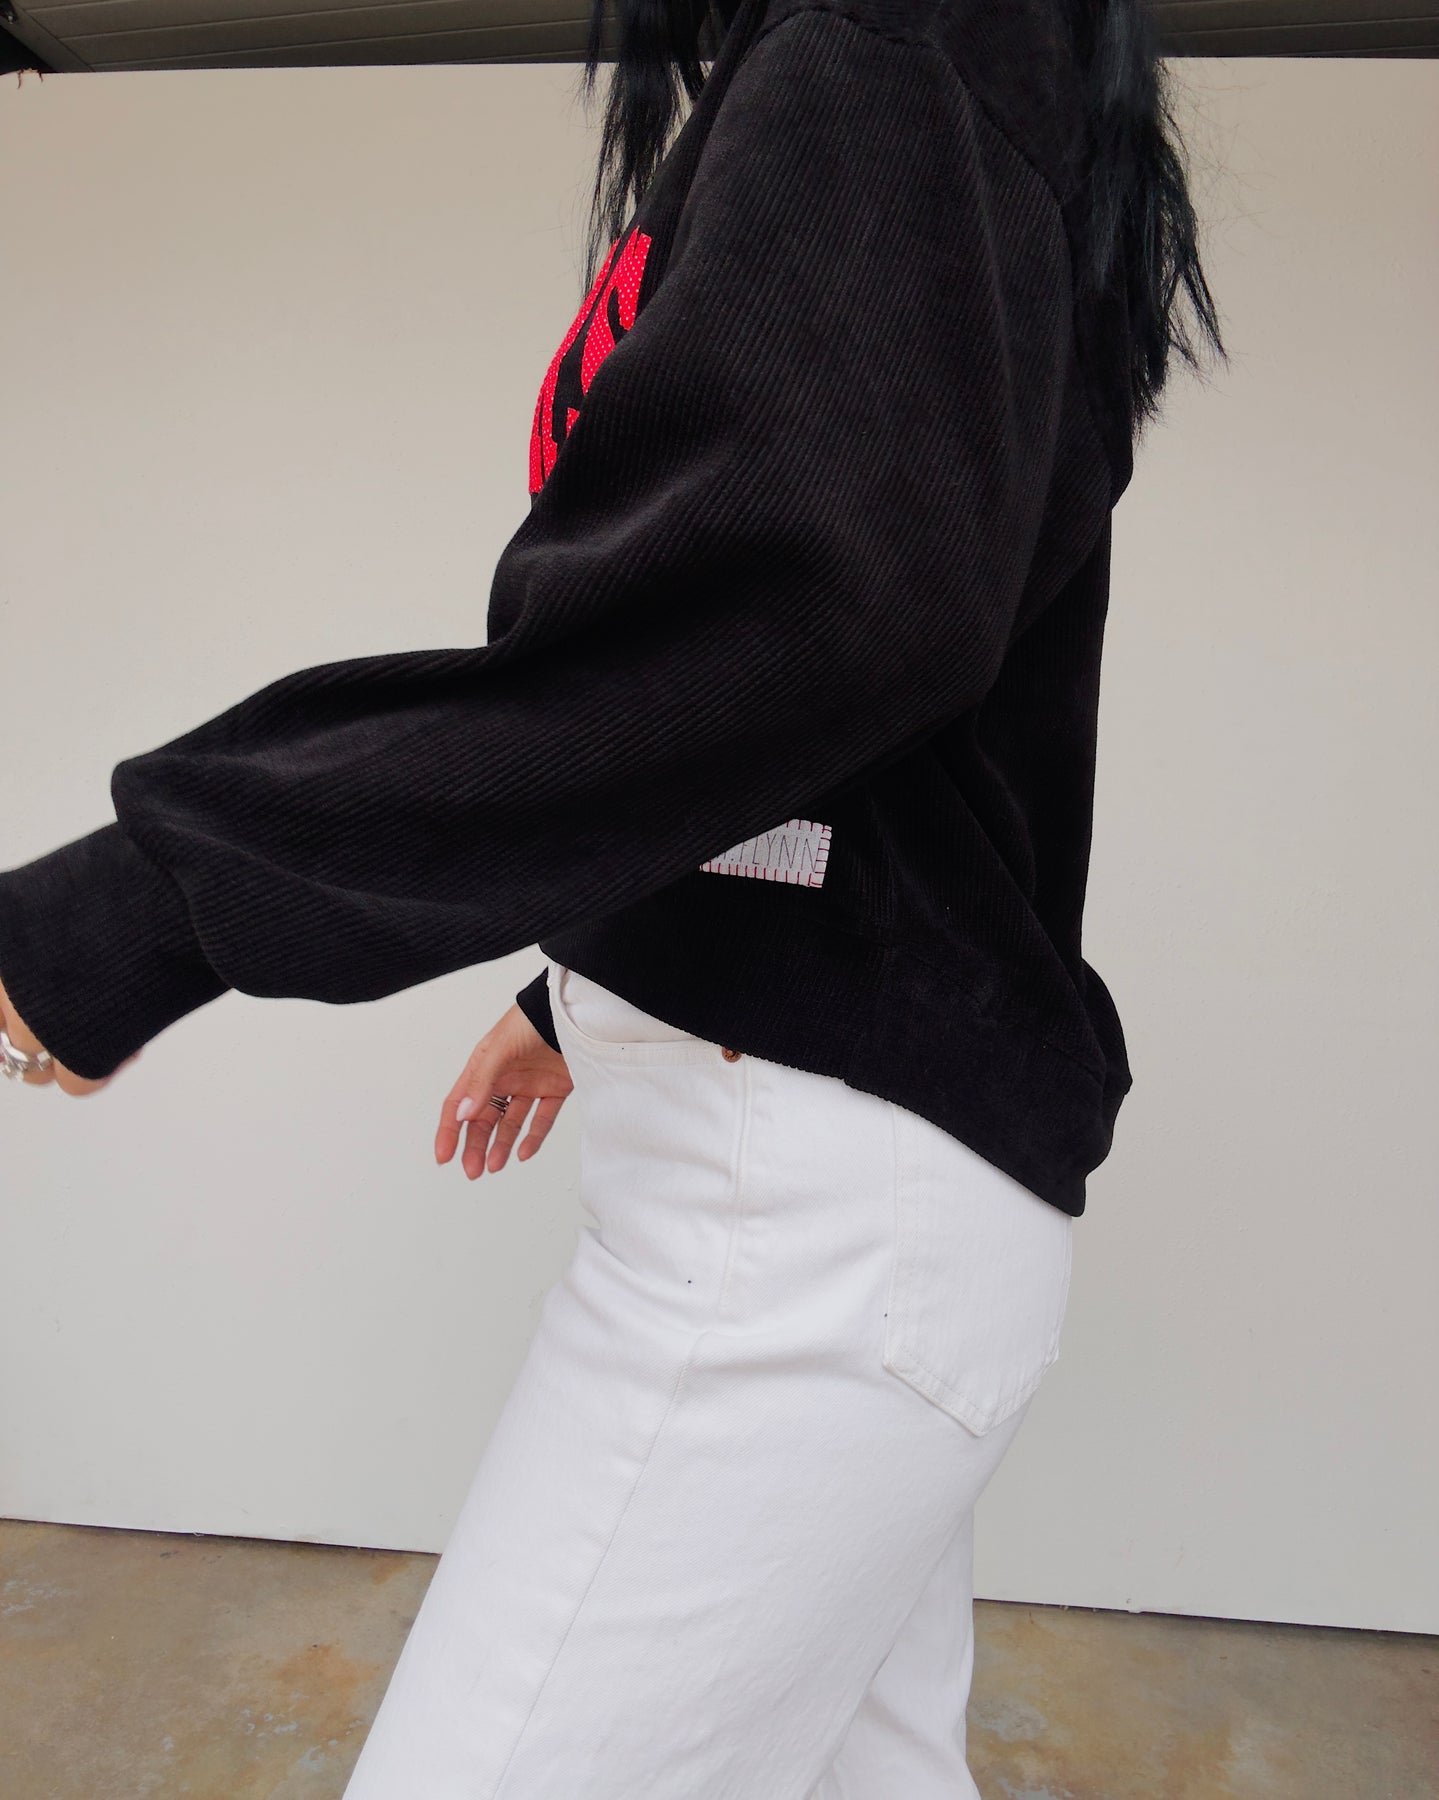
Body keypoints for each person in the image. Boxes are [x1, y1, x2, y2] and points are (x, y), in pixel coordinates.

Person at [0, 0, 1226, 1790]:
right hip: (843, 1173)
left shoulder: (894, 35)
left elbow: (773, 619)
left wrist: (142, 910)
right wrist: (587, 984)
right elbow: (835, 672)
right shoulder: (918, 53)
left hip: (809, 1217)